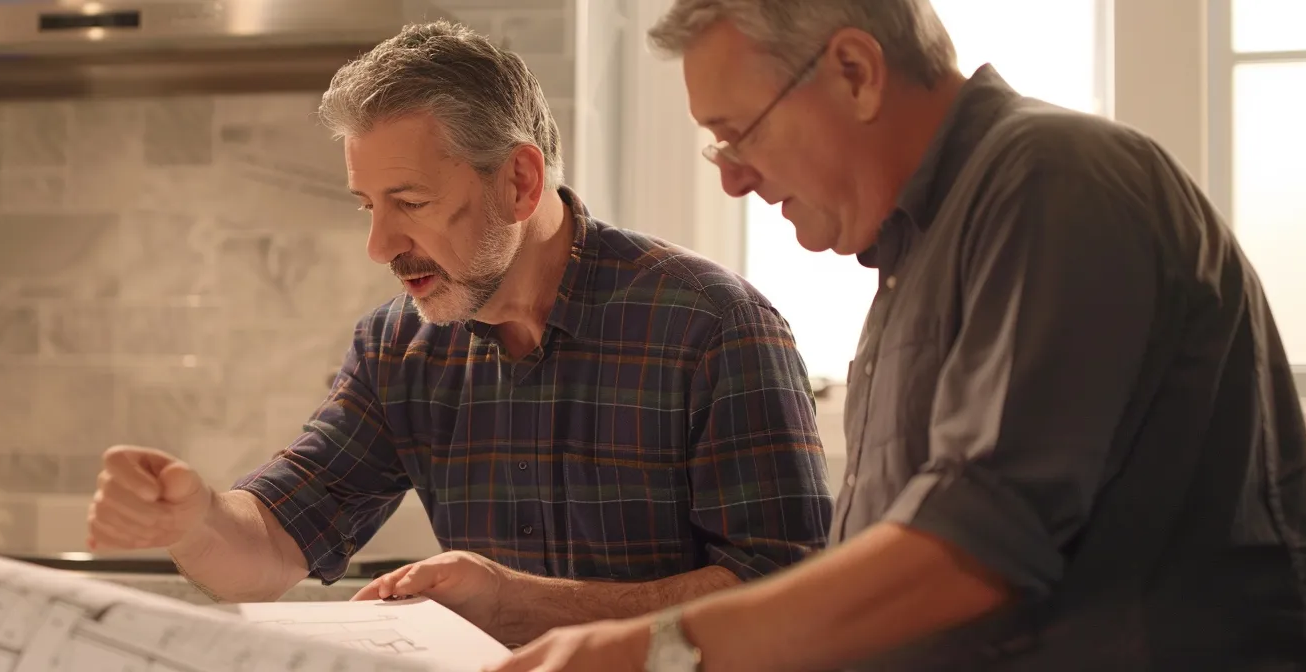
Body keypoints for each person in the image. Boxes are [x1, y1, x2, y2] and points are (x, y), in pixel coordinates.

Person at [488, 1, 1306, 671]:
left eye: (735, 136)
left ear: (856, 71)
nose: (734, 181)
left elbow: (974, 546)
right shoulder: (916, 258)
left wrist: (657, 649)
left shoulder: (1056, 181)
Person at [85, 20, 834, 647]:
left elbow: (790, 602)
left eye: (408, 201)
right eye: (365, 205)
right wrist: (193, 519)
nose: (379, 245)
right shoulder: (397, 349)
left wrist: (519, 603)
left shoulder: (711, 325)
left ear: (519, 183)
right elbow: (273, 543)